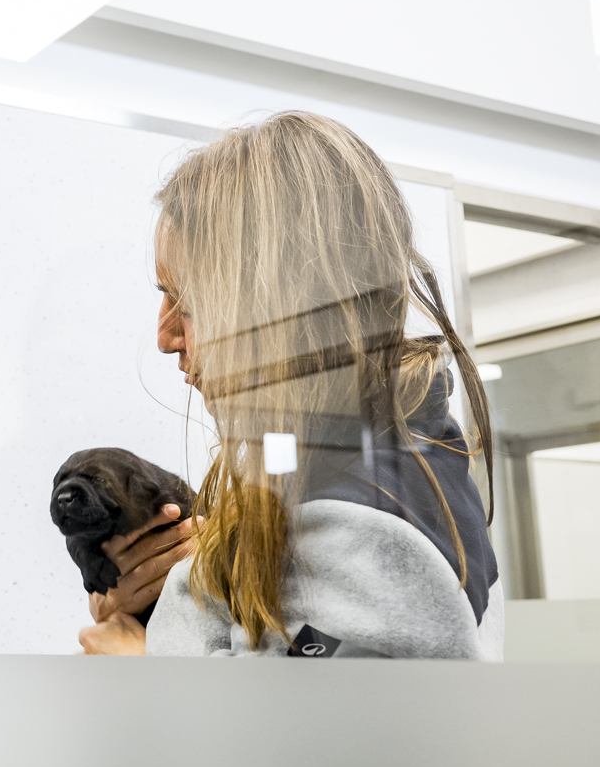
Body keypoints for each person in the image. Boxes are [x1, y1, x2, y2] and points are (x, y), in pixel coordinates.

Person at [79, 111, 502, 660]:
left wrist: (137, 665)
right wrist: (200, 575)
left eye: (189, 302)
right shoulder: (391, 464)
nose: (165, 338)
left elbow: (291, 716)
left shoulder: (356, 529)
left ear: (274, 311)